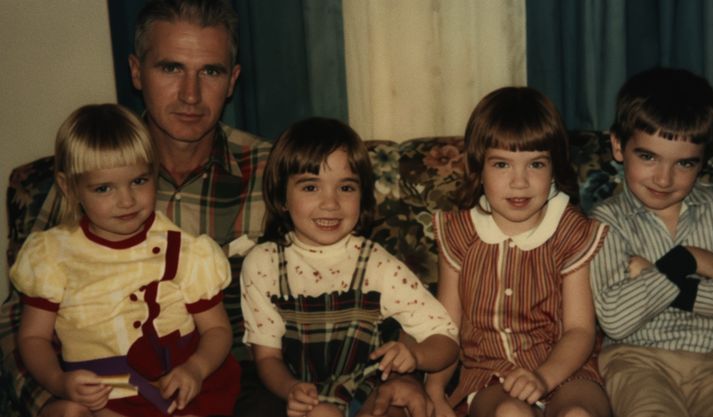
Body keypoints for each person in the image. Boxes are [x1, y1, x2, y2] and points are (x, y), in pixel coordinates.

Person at [2, 1, 437, 416]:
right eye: (171, 68)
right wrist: (51, 403)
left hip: (247, 380)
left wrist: (404, 376)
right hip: (108, 386)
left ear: (232, 81)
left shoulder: (275, 172)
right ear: (136, 72)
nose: (190, 94)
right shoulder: (87, 176)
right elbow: (19, 322)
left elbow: (369, 273)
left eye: (210, 71)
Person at [10, 104, 240, 416]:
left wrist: (196, 369)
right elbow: (33, 337)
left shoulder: (184, 249)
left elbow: (217, 330)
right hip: (101, 393)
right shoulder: (52, 255)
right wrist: (59, 381)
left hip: (178, 386)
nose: (127, 200)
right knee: (66, 413)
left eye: (139, 181)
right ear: (69, 188)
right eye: (104, 188)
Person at [588, 67, 713, 417]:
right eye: (648, 157)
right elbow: (616, 317)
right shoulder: (606, 221)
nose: (664, 178)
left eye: (684, 163)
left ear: (703, 160)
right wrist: (689, 261)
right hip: (637, 362)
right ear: (618, 146)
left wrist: (660, 273)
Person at [240, 117, 460, 417]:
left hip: (368, 394)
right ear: (281, 197)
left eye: (345, 187)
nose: (330, 203)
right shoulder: (262, 263)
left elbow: (445, 338)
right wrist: (291, 389)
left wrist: (415, 355)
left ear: (363, 195)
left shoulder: (376, 264)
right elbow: (266, 358)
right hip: (299, 394)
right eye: (310, 187)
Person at [425, 87, 611, 417]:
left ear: (554, 168)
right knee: (511, 413)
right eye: (502, 165)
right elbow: (445, 326)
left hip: (567, 369)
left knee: (579, 414)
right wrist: (435, 391)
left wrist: (543, 376)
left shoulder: (570, 231)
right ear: (478, 168)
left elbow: (580, 330)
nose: (520, 182)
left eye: (536, 164)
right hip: (490, 376)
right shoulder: (459, 235)